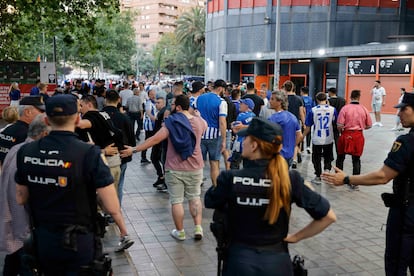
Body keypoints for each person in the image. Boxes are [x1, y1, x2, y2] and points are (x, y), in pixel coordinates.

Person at [14, 94, 133, 274]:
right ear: (78, 119)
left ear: (46, 119)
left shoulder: (26, 151)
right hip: (80, 242)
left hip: (44, 239)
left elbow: (21, 198)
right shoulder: (89, 153)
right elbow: (112, 206)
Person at [205, 117, 336, 275]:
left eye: (246, 138)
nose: (243, 141)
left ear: (254, 145)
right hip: (277, 263)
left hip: (239, 262)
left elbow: (210, 200)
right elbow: (328, 217)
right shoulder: (289, 179)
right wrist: (295, 237)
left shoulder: (230, 178)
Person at [322, 92, 414, 276]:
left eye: (404, 109)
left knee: (397, 261)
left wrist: (347, 179)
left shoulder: (406, 142)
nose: (399, 114)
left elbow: (382, 176)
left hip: (406, 213)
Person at [121, 94, 207, 241]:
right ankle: (198, 227)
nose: (171, 107)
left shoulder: (171, 123)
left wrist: (134, 149)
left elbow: (154, 139)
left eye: (173, 105)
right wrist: (196, 116)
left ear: (179, 107)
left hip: (174, 168)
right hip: (195, 167)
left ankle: (180, 232)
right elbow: (201, 132)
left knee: (177, 201)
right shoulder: (200, 122)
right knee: (194, 198)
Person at [0, 114, 49, 275]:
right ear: (45, 134)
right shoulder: (32, 157)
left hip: (14, 231)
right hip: (25, 234)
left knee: (11, 265)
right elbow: (20, 199)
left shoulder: (16, 150)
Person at [102, 90, 136, 205]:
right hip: (122, 155)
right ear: (119, 100)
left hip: (103, 156)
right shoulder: (124, 118)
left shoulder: (98, 116)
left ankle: (104, 211)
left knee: (103, 185)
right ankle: (115, 212)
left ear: (105, 100)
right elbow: (132, 139)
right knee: (119, 184)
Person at [335, 89, 372, 191]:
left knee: (340, 157)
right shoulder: (364, 109)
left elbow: (339, 124)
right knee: (356, 159)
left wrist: (342, 131)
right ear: (359, 97)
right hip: (358, 136)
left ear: (350, 97)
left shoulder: (345, 108)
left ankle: (338, 178)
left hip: (345, 134)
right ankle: (355, 183)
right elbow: (369, 125)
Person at [195, 79, 228, 186]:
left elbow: (190, 114)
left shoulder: (199, 98)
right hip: (215, 136)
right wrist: (223, 140)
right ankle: (215, 187)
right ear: (220, 88)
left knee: (200, 163)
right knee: (214, 163)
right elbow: (222, 122)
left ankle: (196, 185)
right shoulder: (222, 102)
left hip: (200, 134)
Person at [302, 92, 337, 184]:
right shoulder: (332, 109)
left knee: (316, 158)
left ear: (317, 100)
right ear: (326, 99)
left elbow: (308, 126)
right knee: (328, 156)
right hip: (328, 137)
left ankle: (318, 176)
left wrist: (302, 136)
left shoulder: (313, 110)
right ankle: (327, 171)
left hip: (317, 138)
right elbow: (336, 123)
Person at [0, 96, 45, 165]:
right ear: (28, 112)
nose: (44, 115)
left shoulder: (6, 130)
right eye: (41, 111)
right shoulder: (30, 135)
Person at [268, 90, 302, 167]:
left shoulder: (273, 118)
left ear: (279, 102)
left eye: (272, 99)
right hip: (289, 154)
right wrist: (292, 145)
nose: (270, 101)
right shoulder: (293, 117)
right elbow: (299, 136)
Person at [327, 87, 346, 155]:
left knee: (329, 138)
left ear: (330, 92)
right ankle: (339, 152)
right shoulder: (342, 100)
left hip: (330, 122)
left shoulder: (328, 101)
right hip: (340, 121)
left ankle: (329, 153)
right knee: (337, 137)